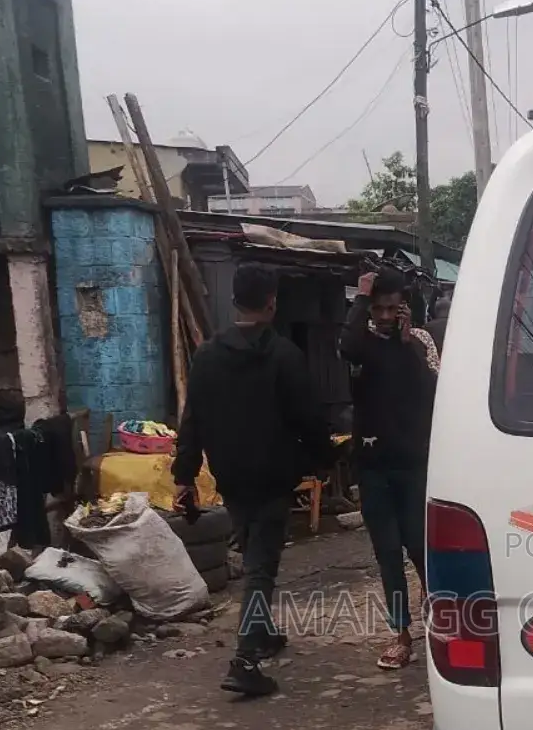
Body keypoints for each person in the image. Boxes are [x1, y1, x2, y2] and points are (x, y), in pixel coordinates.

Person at [174, 263, 334, 697]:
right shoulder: (284, 355)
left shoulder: (207, 356)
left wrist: (184, 476)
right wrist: (325, 459)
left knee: (253, 555)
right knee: (261, 567)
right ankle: (245, 661)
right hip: (273, 476)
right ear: (272, 303)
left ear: (233, 302)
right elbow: (308, 418)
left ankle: (260, 632)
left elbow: (192, 421)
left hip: (230, 475)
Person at [340, 266, 439, 668]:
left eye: (391, 309)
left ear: (404, 308)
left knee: (419, 545)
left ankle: (437, 608)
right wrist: (361, 298)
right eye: (377, 308)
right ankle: (401, 635)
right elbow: (347, 346)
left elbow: (432, 393)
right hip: (372, 467)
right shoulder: (361, 344)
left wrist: (406, 341)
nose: (384, 316)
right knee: (387, 553)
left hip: (413, 465)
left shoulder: (420, 343)